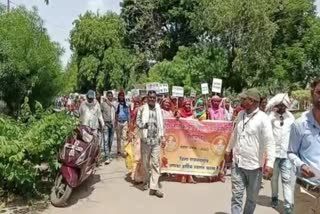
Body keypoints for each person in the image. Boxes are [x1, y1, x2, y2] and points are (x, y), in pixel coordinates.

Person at [226, 88, 275, 214]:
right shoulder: (240, 114)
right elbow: (235, 134)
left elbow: (270, 142)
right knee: (236, 196)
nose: (241, 100)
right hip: (238, 163)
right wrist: (228, 149)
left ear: (251, 101)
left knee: (252, 199)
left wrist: (270, 164)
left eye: (244, 98)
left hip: (254, 166)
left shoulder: (263, 119)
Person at [288, 78, 320, 214]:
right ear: (313, 93)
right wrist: (301, 165)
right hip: (306, 191)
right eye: (319, 92)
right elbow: (291, 152)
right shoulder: (300, 124)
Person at [267, 93, 295, 213]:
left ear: (286, 106)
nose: (281, 107)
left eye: (283, 105)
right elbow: (267, 134)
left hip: (286, 154)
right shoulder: (271, 117)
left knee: (286, 180)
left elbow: (294, 135)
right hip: (273, 154)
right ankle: (274, 197)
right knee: (274, 179)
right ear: (276, 106)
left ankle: (288, 205)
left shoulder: (291, 118)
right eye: (279, 105)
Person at [136, 90, 165, 198]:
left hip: (156, 141)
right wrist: (143, 125)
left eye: (154, 97)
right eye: (150, 97)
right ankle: (146, 181)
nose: (152, 99)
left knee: (155, 164)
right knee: (145, 163)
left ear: (156, 98)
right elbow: (137, 121)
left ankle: (154, 188)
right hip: (145, 140)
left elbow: (163, 124)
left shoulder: (159, 110)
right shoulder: (142, 109)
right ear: (147, 98)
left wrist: (163, 137)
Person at [175, 99, 196, 183]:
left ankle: (190, 176)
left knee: (190, 157)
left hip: (191, 138)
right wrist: (177, 117)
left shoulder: (193, 114)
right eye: (186, 104)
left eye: (189, 104)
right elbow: (175, 122)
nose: (188, 106)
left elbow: (195, 124)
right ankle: (183, 176)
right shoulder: (180, 112)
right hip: (182, 138)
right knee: (183, 157)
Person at [101, 91, 116, 164]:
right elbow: (100, 114)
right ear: (107, 96)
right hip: (106, 124)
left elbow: (117, 113)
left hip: (112, 124)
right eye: (109, 96)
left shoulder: (114, 104)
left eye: (111, 96)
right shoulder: (103, 104)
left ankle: (108, 153)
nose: (110, 97)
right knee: (106, 140)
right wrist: (102, 123)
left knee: (110, 141)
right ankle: (107, 156)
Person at [115, 91, 130, 157]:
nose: (121, 97)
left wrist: (129, 122)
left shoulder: (126, 104)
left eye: (122, 96)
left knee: (124, 137)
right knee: (118, 137)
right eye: (120, 96)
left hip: (125, 122)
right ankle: (118, 151)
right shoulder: (117, 104)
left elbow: (128, 113)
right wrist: (115, 121)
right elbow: (115, 113)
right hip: (118, 122)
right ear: (118, 97)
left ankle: (124, 151)